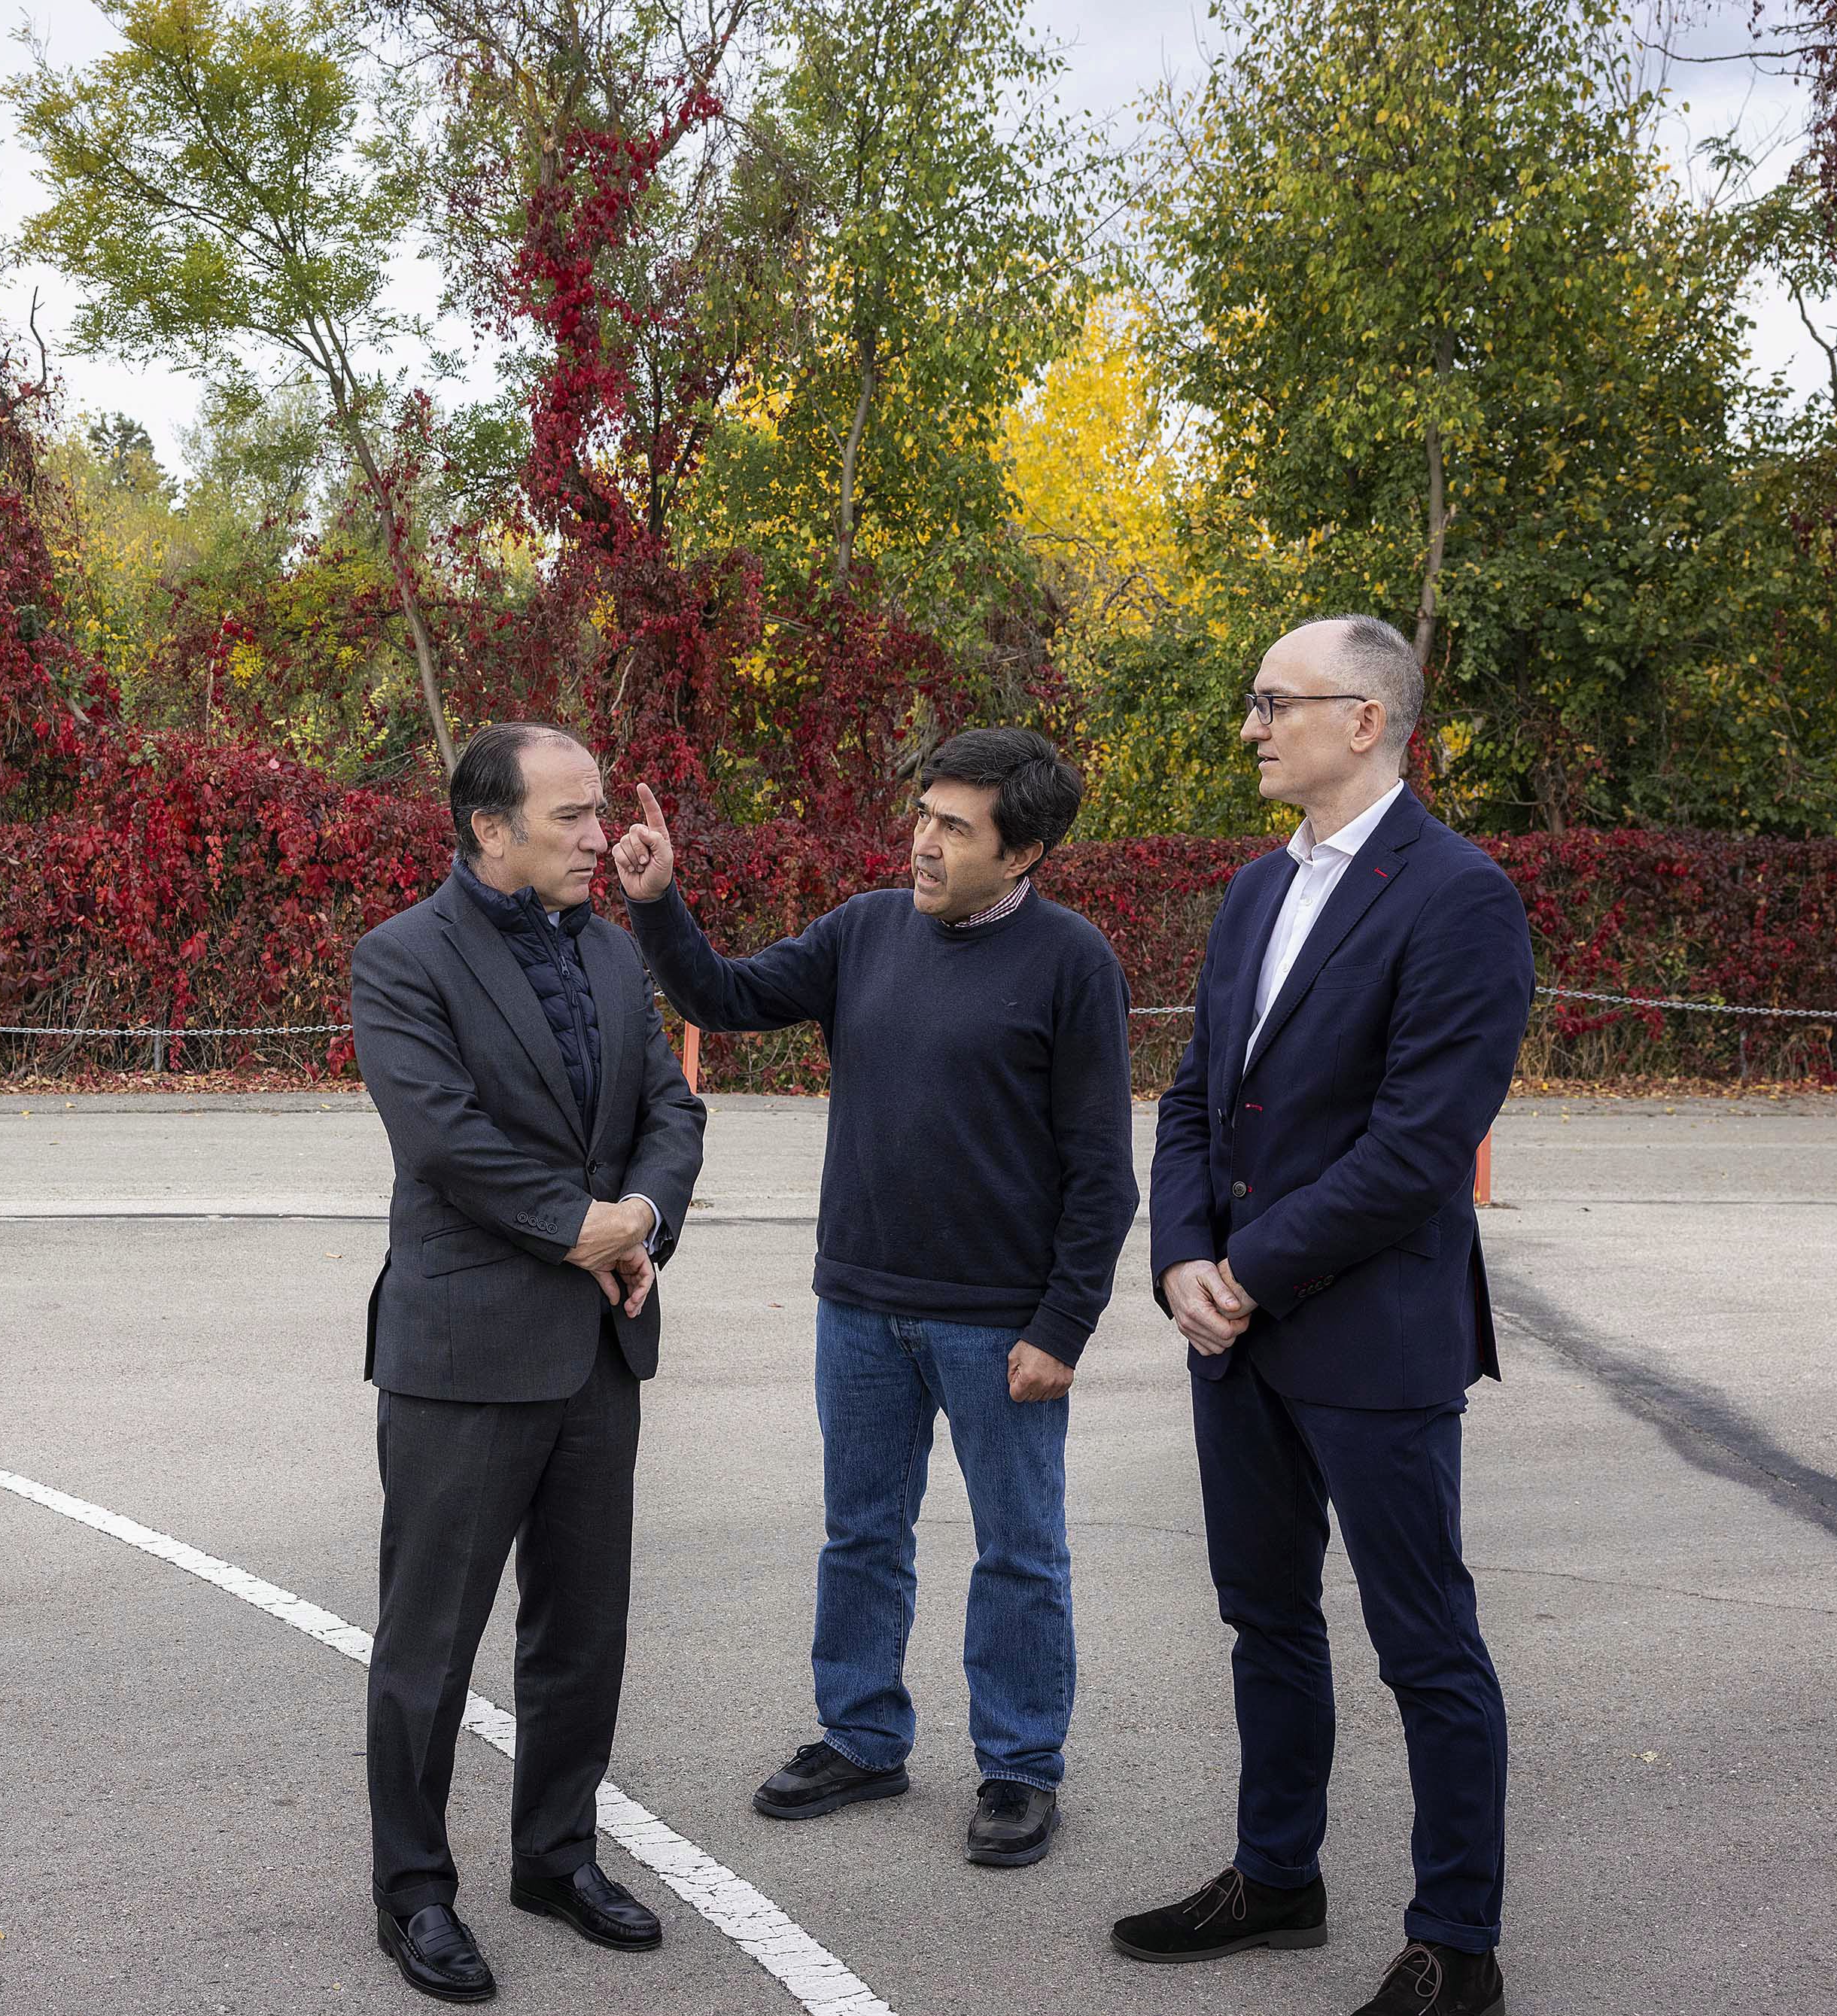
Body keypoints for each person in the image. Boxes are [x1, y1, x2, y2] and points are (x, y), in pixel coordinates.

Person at [610, 726, 1137, 1869]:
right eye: (924, 816)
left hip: (1000, 1320)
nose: (925, 844)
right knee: (862, 1536)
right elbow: (724, 996)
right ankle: (862, 1737)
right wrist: (657, 903)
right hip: (859, 1305)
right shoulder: (864, 929)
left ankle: (1020, 1767)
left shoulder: (1073, 962)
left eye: (956, 827)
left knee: (1019, 1552)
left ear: (1023, 851)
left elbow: (1103, 1171)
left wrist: (1063, 1326)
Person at [1115, 616, 1532, 2016]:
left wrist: (1245, 1271)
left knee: (1426, 1645)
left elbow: (1418, 1149)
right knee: (1265, 1618)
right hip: (1235, 1334)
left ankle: (1456, 1946)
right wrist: (1182, 1257)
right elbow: (1194, 1096)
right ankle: (1277, 1878)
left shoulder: (1460, 895)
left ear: (1365, 720)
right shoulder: (1254, 891)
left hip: (1371, 1335)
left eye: (1273, 703)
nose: (1251, 727)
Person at [350, 722, 707, 2005]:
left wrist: (643, 1216)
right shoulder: (403, 958)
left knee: (582, 1633)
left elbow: (671, 1108)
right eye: (572, 816)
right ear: (489, 829)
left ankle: (556, 1859)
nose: (599, 837)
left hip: (599, 1347)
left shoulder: (610, 951)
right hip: (465, 1353)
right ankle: (413, 1892)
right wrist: (587, 1229)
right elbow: (444, 1141)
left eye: (598, 811)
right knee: (431, 1646)